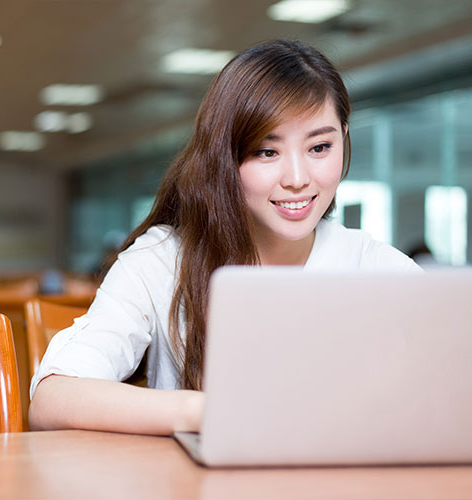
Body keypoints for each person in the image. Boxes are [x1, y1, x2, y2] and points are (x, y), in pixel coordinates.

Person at [28, 40, 420, 435]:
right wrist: (208, 412)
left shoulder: (374, 267)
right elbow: (53, 399)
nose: (298, 178)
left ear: (344, 137)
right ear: (224, 157)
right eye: (267, 152)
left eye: (320, 147)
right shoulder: (162, 263)